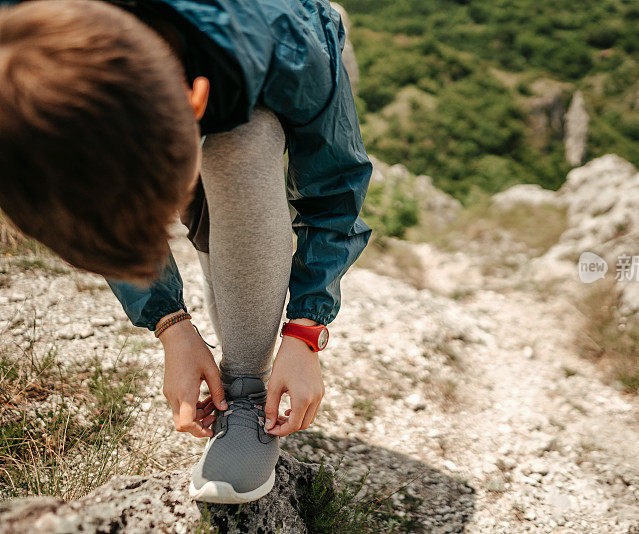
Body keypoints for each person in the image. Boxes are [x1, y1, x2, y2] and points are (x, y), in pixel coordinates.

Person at [0, 0, 372, 503]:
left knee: (239, 141)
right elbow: (93, 204)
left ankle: (247, 387)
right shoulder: (22, 49)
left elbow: (334, 190)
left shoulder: (289, 43)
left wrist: (306, 329)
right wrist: (170, 324)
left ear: (193, 101)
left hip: (289, 38)